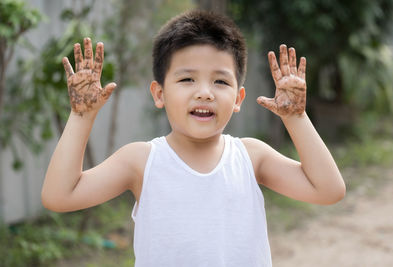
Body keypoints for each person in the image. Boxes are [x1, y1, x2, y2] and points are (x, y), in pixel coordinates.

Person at [42, 10, 346, 267]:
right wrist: (82, 116)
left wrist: (296, 117)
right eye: (187, 79)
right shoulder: (141, 161)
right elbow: (59, 197)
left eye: (221, 81)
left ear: (239, 98)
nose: (205, 91)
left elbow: (329, 190)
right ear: (159, 93)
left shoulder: (251, 157)